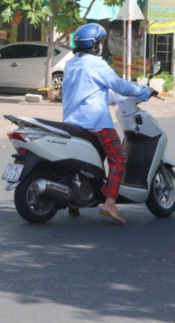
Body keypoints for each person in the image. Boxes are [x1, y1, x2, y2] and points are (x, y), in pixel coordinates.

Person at [62, 23, 153, 224]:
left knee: (81, 161)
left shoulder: (72, 63)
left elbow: (92, 88)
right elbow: (119, 84)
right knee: (119, 158)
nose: (102, 45)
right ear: (95, 45)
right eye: (101, 41)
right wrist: (144, 91)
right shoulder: (97, 64)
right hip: (95, 122)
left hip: (72, 121)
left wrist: (110, 97)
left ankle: (74, 201)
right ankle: (110, 203)